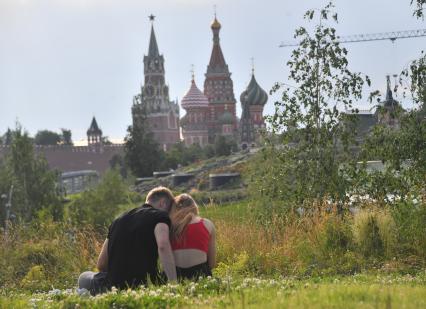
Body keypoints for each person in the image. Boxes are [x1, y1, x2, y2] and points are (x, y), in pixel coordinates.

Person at [78, 186, 177, 295]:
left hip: (112, 286)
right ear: (163, 203)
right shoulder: (161, 216)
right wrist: (173, 284)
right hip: (143, 285)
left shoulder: (118, 220)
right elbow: (163, 246)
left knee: (83, 277)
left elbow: (101, 264)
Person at [170, 193, 216, 280]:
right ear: (195, 207)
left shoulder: (170, 226)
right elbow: (212, 263)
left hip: (175, 276)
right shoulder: (207, 224)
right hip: (201, 275)